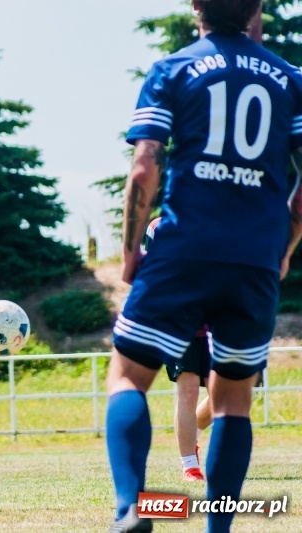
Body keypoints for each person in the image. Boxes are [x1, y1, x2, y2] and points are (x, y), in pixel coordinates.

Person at [105, 1, 302, 532]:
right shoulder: (290, 79)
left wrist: (129, 251)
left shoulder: (173, 69)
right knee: (233, 398)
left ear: (196, 6)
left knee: (127, 374)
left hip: (184, 248)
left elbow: (145, 166)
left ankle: (130, 508)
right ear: (257, 8)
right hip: (254, 259)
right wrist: (282, 247)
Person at [146, 217, 210, 482]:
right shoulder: (159, 227)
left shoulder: (224, 221)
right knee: (189, 388)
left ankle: (191, 432)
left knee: (227, 393)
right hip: (178, 324)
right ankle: (190, 466)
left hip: (218, 321)